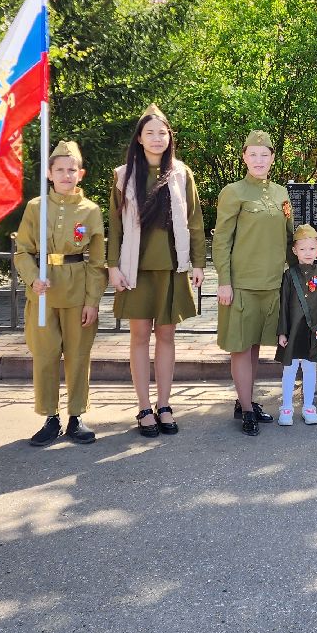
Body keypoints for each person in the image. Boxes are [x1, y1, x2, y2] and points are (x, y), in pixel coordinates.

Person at [107, 105, 206, 438]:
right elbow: (116, 226)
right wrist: (112, 267)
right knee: (138, 337)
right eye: (150, 132)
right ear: (139, 138)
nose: (156, 138)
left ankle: (165, 405)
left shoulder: (181, 173)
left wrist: (198, 262)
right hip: (136, 266)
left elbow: (194, 221)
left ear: (169, 137)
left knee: (166, 336)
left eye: (162, 132)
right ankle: (144, 408)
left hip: (172, 265)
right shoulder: (123, 175)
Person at [13, 140, 107, 446]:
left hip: (77, 289)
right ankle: (50, 417)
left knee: (78, 356)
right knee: (45, 355)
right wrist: (32, 279)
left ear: (81, 174)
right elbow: (23, 251)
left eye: (72, 170)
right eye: (60, 170)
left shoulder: (91, 211)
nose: (66, 175)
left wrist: (92, 301)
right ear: (50, 173)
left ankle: (76, 415)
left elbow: (97, 261)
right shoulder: (36, 207)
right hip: (44, 291)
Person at [214, 129, 293, 436]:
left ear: (273, 158)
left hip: (271, 283)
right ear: (244, 156)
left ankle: (244, 400)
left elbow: (289, 236)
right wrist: (224, 280)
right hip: (241, 284)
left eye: (265, 155)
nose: (259, 160)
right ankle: (247, 409)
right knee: (240, 348)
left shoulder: (281, 194)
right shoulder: (233, 192)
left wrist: (306, 265)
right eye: (253, 154)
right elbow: (222, 239)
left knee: (256, 347)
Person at [275, 224, 317, 425]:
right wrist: (282, 332)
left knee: (310, 369)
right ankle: (287, 408)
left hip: (312, 331)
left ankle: (309, 406)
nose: (307, 253)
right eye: (302, 249)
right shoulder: (289, 275)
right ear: (294, 251)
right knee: (289, 369)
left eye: (311, 248)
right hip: (292, 330)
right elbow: (283, 304)